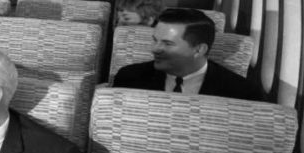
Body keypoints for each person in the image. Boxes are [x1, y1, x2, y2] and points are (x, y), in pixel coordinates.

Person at [112, 8, 263, 99]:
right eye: (155, 40)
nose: (154, 49)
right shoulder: (129, 78)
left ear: (199, 50)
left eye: (167, 43)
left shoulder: (242, 92)